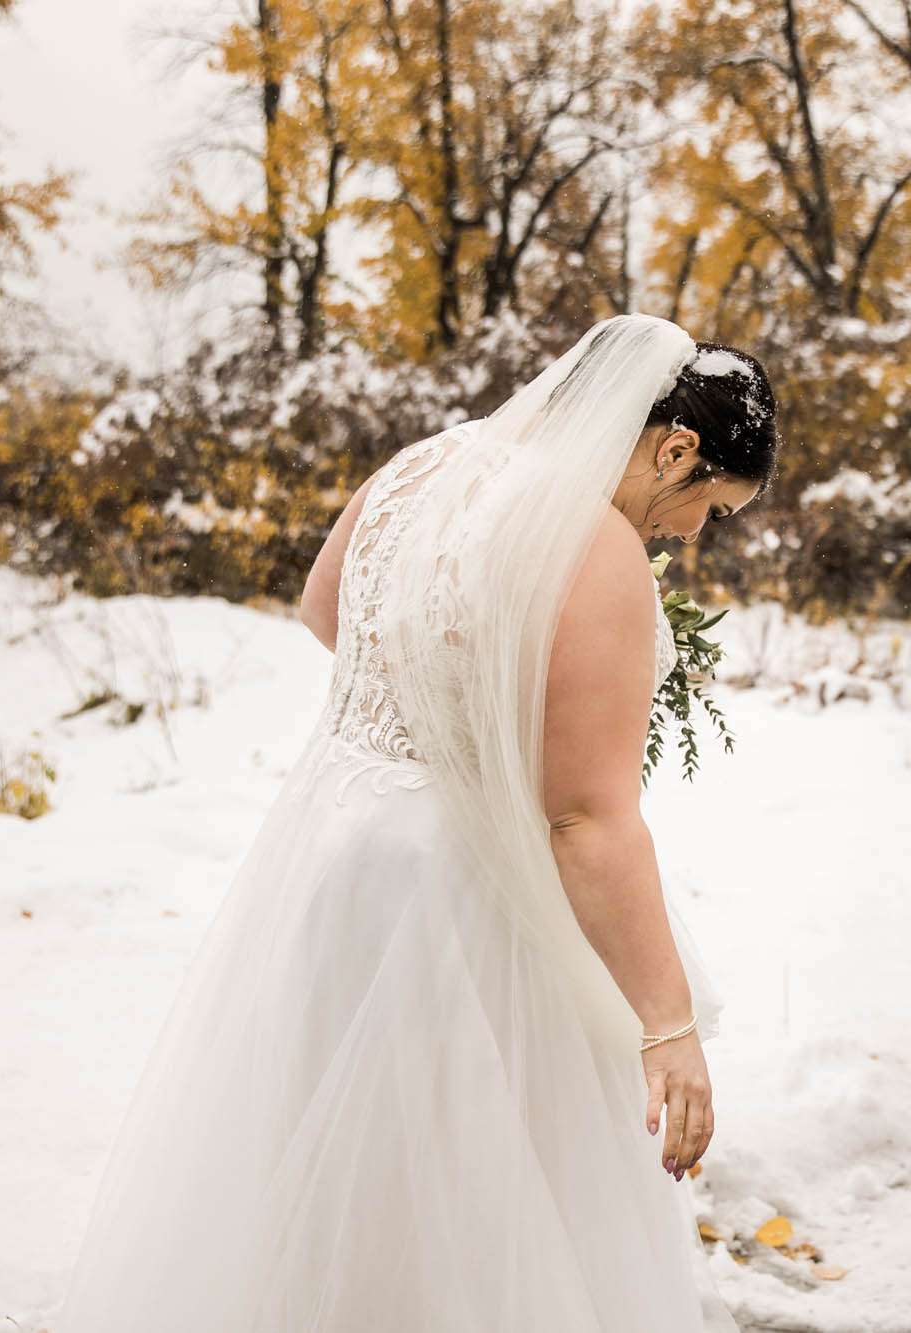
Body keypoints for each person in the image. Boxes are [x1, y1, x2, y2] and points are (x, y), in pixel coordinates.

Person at [57, 315, 778, 1332]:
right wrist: (667, 1028)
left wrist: (447, 687)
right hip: (458, 890)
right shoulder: (592, 545)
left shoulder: (422, 465)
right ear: (672, 448)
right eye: (709, 502)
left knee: (344, 1161)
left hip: (333, 854)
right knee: (471, 1187)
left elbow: (323, 608)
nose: (695, 531)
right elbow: (584, 816)